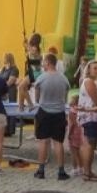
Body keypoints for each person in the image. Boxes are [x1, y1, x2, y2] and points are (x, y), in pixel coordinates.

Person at [30, 52, 70, 180]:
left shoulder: (41, 78)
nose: (42, 64)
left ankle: (41, 171)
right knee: (58, 142)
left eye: (43, 62)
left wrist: (40, 100)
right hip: (59, 113)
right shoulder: (64, 78)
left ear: (47, 62)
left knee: (43, 141)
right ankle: (61, 172)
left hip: (44, 112)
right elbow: (65, 97)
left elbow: (37, 97)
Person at [75, 59, 97, 181]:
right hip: (91, 117)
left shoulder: (94, 82)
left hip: (93, 117)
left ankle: (88, 171)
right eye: (94, 68)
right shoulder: (89, 82)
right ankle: (87, 172)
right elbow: (96, 101)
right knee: (90, 145)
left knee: (91, 145)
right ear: (88, 70)